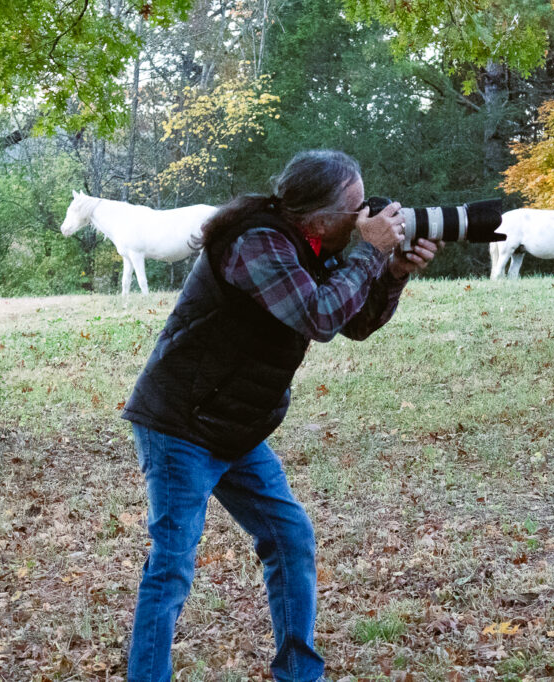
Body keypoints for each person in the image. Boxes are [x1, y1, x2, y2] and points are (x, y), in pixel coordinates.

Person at [120, 149, 442, 682]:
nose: (368, 217)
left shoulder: (319, 243)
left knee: (289, 538)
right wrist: (369, 250)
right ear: (318, 216)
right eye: (357, 209)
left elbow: (352, 322)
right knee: (173, 563)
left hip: (237, 425)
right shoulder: (258, 242)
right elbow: (317, 315)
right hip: (180, 422)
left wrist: (393, 273)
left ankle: (299, 674)